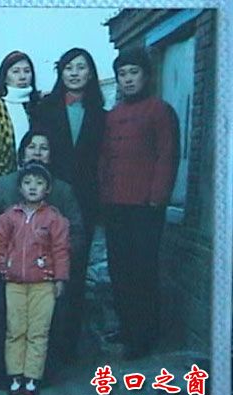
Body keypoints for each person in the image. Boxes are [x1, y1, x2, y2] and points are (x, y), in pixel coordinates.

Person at [0, 128, 84, 386]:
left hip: (46, 273)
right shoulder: (2, 186)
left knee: (57, 312)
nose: (37, 152)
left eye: (44, 148)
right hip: (6, 271)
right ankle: (4, 371)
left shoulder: (63, 191)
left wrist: (55, 264)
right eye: (32, 147)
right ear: (22, 153)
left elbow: (77, 233)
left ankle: (41, 372)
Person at [98, 48, 179, 360]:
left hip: (145, 206)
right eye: (122, 74)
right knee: (119, 269)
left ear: (146, 76)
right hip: (115, 204)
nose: (128, 79)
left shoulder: (159, 110)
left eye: (134, 73)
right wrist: (104, 198)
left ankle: (144, 335)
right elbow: (104, 159)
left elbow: (167, 156)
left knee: (142, 269)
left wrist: (157, 198)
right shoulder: (112, 116)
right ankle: (127, 326)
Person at [33, 48, 106, 361]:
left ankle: (67, 346)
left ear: (90, 73)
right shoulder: (45, 108)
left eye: (81, 67)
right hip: (49, 196)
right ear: (60, 73)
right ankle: (40, 341)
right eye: (68, 68)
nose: (75, 73)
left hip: (85, 203)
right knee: (42, 268)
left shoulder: (100, 113)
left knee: (74, 272)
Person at [0, 163, 70, 395]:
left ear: (47, 189)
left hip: (43, 283)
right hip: (14, 283)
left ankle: (32, 376)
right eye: (27, 183)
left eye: (39, 183)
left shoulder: (54, 219)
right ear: (20, 187)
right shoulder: (9, 217)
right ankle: (15, 374)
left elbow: (61, 250)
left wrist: (60, 278)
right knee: (15, 329)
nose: (33, 187)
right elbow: (2, 246)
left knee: (38, 331)